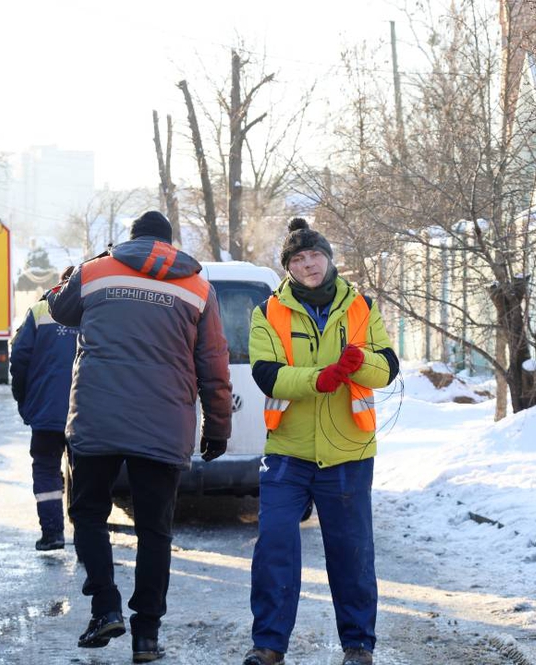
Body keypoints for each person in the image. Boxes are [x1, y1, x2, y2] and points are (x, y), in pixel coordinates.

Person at [47, 211, 232, 663]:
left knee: (88, 513)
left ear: (130, 240)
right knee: (154, 531)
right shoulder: (198, 287)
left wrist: (78, 270)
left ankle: (105, 607)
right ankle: (146, 636)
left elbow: (58, 307)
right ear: (169, 243)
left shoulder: (96, 271)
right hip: (163, 424)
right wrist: (217, 427)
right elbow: (213, 362)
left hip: (98, 418)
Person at [242, 218, 399, 665]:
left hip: (349, 452)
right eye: (298, 259)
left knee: (351, 552)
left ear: (328, 259)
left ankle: (358, 646)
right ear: (288, 267)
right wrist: (320, 378)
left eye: (314, 255)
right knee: (274, 545)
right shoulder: (267, 312)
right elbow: (266, 374)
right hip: (287, 451)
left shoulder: (362, 307)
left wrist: (358, 361)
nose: (308, 264)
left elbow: (388, 367)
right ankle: (268, 646)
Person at [10, 265, 78, 551]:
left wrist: (24, 400)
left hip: (47, 412)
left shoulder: (40, 311)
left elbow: (19, 359)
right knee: (85, 473)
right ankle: (87, 541)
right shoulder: (96, 309)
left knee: (46, 468)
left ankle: (52, 534)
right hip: (87, 413)